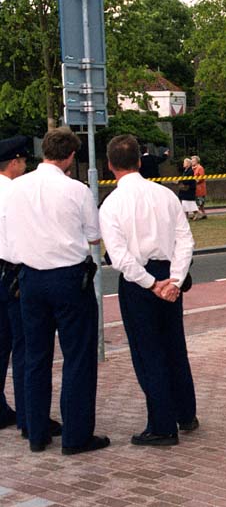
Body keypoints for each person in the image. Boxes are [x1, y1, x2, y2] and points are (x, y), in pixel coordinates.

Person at [4, 127, 110, 455]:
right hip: (68, 279)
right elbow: (94, 236)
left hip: (30, 280)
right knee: (77, 356)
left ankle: (36, 433)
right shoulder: (76, 190)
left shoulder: (16, 188)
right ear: (70, 156)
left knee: (36, 357)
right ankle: (76, 436)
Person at [100, 134, 198, 447]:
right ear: (140, 162)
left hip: (139, 282)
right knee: (175, 347)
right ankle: (186, 414)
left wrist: (150, 284)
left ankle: (162, 424)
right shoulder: (165, 194)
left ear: (110, 165)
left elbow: (120, 257)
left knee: (148, 353)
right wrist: (175, 280)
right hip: (167, 275)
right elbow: (185, 240)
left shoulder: (111, 204)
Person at [0, 136, 63, 442]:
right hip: (15, 271)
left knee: (1, 345)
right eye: (23, 162)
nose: (25, 166)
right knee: (25, 347)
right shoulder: (15, 192)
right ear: (14, 162)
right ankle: (29, 417)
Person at [191, 155, 207, 220]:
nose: (192, 162)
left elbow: (201, 177)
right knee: (197, 202)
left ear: (197, 161)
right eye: (191, 161)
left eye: (193, 161)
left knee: (200, 203)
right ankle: (203, 214)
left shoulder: (200, 168)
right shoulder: (192, 168)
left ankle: (201, 214)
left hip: (200, 188)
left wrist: (196, 180)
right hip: (194, 188)